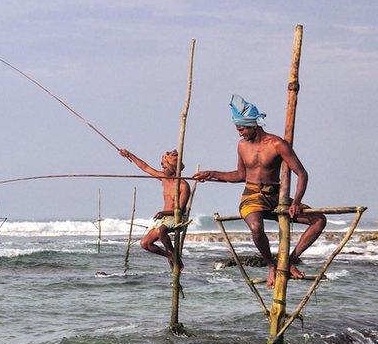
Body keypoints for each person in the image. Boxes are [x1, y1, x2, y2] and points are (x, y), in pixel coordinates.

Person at [193, 95, 326, 286]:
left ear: (253, 124)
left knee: (319, 220)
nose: (240, 133)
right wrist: (212, 173)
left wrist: (296, 202)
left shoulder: (277, 144)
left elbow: (302, 174)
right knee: (256, 227)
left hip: (276, 197)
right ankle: (272, 265)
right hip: (252, 197)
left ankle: (289, 261)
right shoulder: (242, 146)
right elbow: (240, 175)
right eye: (238, 129)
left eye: (242, 128)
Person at [118, 147, 191, 270]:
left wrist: (163, 212)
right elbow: (145, 167)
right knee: (145, 244)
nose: (163, 169)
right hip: (164, 218)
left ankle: (175, 257)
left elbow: (181, 210)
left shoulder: (183, 185)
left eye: (165, 166)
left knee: (162, 230)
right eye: (163, 166)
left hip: (176, 218)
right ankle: (170, 255)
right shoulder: (164, 179)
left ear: (173, 168)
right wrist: (129, 155)